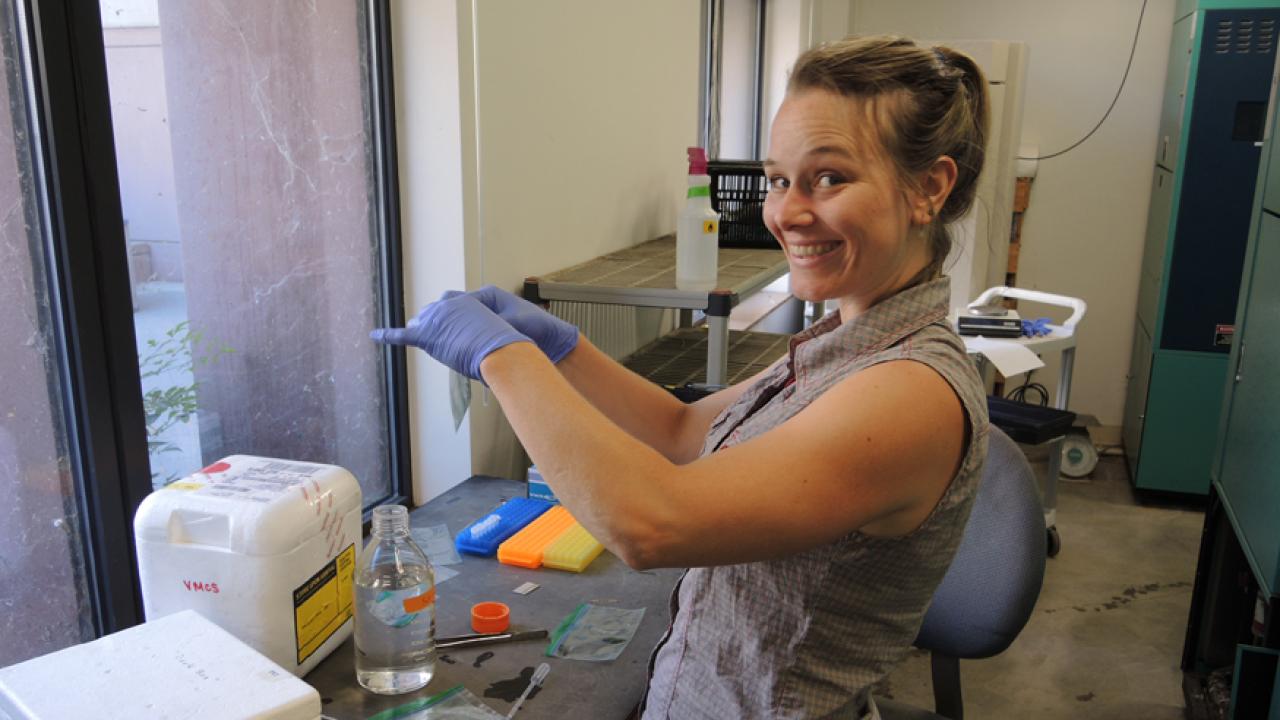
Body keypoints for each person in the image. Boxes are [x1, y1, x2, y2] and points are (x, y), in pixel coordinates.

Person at [373, 34, 990, 720]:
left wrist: (504, 359)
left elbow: (651, 524)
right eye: (779, 180)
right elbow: (685, 429)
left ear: (929, 188)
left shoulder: (911, 391)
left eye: (830, 178)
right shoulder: (846, 343)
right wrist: (560, 350)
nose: (786, 212)